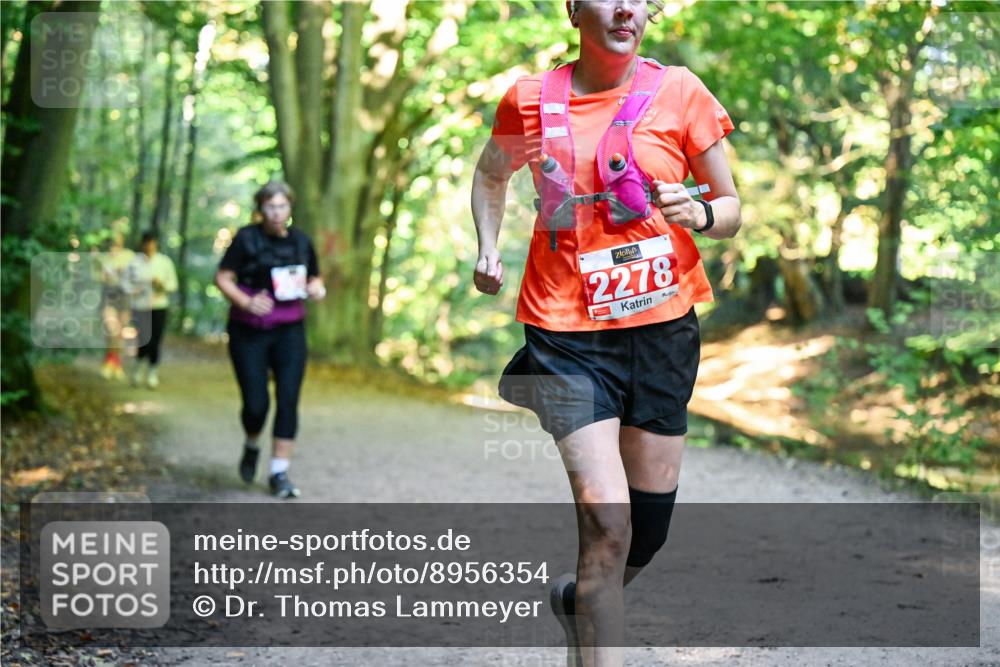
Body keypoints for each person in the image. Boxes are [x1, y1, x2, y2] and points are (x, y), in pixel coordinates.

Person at [471, 1, 741, 665]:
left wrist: (700, 213)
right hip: (564, 331)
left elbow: (731, 207)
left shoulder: (681, 91)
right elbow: (490, 173)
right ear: (572, 8)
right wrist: (488, 246)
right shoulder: (529, 100)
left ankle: (578, 603)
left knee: (642, 537)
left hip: (662, 334)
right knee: (607, 523)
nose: (625, 7)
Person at [214, 181, 326, 499]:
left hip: (290, 331)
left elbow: (315, 276)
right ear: (261, 209)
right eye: (271, 207)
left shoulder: (301, 241)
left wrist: (316, 288)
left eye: (282, 206)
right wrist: (246, 302)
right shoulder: (246, 238)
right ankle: (252, 443)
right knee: (256, 404)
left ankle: (279, 472)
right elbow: (223, 277)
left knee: (288, 398)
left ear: (290, 207)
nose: (277, 213)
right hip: (248, 331)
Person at [127, 230, 178, 389]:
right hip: (140, 306)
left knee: (155, 340)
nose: (149, 246)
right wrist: (136, 290)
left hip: (159, 306)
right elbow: (126, 284)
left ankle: (152, 372)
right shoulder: (134, 262)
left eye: (151, 242)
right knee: (143, 339)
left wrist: (161, 284)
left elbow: (173, 285)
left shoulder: (164, 262)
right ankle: (137, 369)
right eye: (146, 242)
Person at [97, 230, 134, 381]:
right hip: (109, 295)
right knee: (112, 330)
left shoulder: (129, 255)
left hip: (125, 297)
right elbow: (100, 277)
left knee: (119, 333)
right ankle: (110, 362)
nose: (116, 242)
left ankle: (115, 364)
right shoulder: (103, 257)